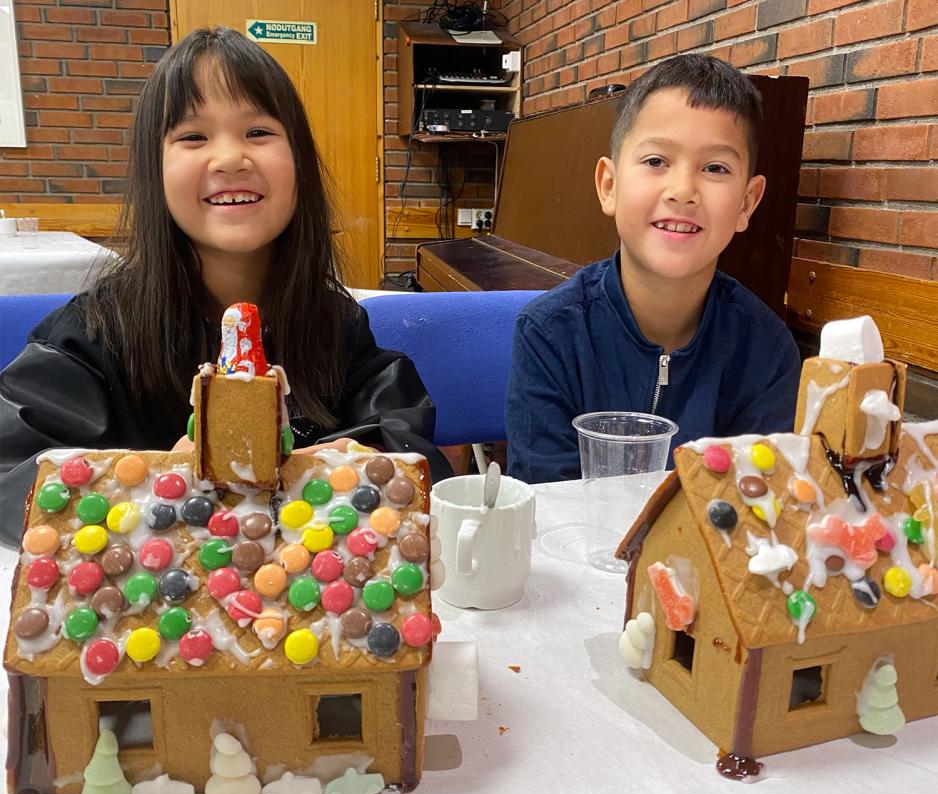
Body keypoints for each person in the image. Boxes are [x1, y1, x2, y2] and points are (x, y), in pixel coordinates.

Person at [0, 27, 450, 545]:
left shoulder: (332, 322)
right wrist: (155, 481)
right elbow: (16, 483)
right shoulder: (90, 336)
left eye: (258, 132)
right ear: (155, 170)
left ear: (298, 161)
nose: (230, 158)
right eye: (193, 136)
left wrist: (328, 468)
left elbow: (408, 448)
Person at [505, 54, 801, 484]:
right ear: (609, 186)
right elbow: (543, 502)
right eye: (656, 161)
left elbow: (754, 513)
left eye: (715, 168)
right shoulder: (550, 334)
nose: (683, 190)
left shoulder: (768, 351)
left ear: (747, 203)